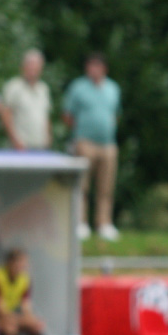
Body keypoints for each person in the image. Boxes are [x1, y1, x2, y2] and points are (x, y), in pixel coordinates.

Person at [64, 52, 122, 241]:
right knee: (82, 185)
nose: (94, 70)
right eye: (91, 65)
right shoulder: (78, 87)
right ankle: (81, 223)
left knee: (106, 187)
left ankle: (104, 223)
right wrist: (80, 133)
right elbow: (67, 115)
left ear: (104, 69)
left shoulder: (113, 88)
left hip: (108, 144)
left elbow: (115, 114)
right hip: (84, 142)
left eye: (97, 66)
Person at [2, 49, 52, 150]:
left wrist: (48, 137)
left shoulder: (43, 88)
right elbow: (6, 114)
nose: (33, 68)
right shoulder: (13, 86)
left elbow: (45, 116)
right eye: (30, 65)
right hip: (20, 146)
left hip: (40, 145)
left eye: (36, 65)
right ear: (23, 67)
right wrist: (15, 140)